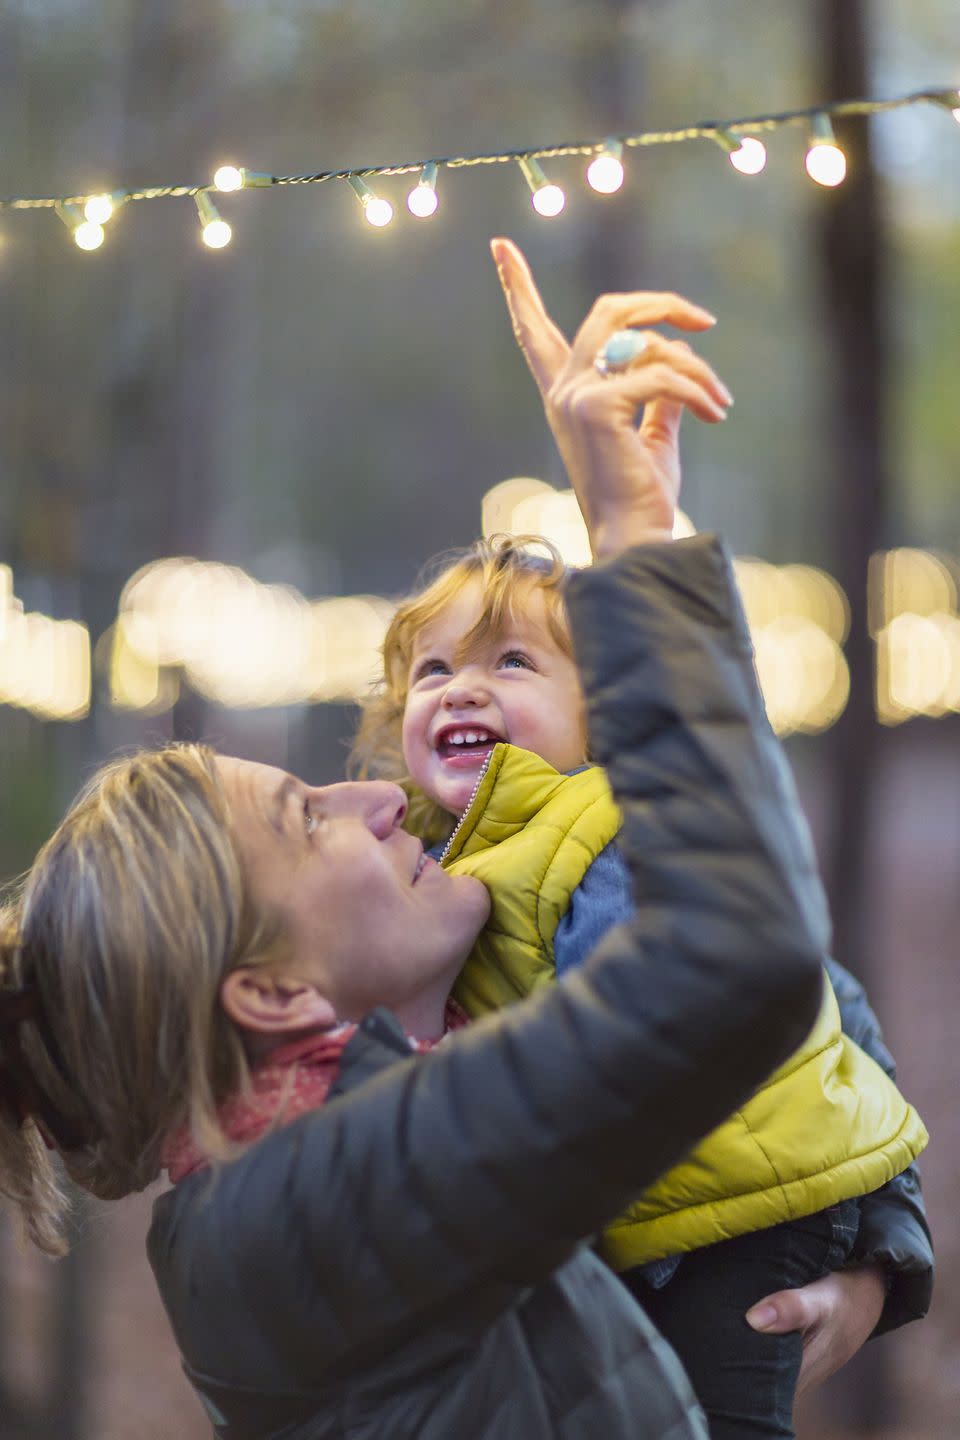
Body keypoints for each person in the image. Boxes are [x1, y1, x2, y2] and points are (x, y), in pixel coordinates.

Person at [0, 240, 915, 1440]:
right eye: (305, 818)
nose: (372, 800)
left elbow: (807, 1015)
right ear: (270, 990)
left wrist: (873, 1256)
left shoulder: (341, 1146)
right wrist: (633, 528)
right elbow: (737, 958)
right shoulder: (311, 1209)